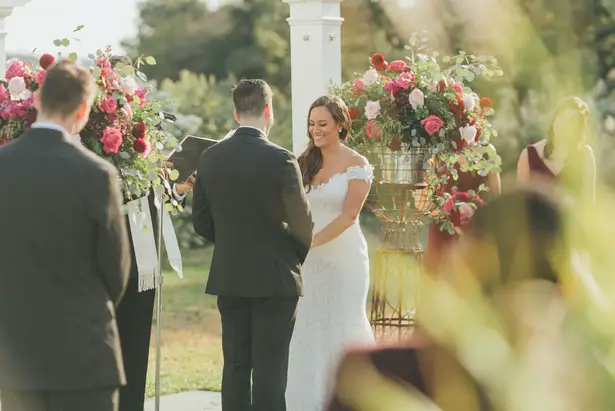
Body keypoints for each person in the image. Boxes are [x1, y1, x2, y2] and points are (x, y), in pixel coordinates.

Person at [0, 60, 131, 410]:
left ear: (36, 99)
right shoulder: (97, 174)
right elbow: (115, 271)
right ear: (83, 110)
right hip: (83, 352)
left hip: (14, 358)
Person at [192, 79, 313, 411]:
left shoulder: (209, 158)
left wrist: (233, 244)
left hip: (230, 276)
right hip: (275, 277)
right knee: (269, 369)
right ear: (268, 110)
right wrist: (289, 257)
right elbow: (303, 224)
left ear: (235, 113)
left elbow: (201, 221)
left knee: (235, 366)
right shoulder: (281, 159)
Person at [286, 95, 376, 411]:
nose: (316, 130)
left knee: (343, 325)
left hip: (345, 261)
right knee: (308, 327)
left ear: (340, 125)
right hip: (309, 263)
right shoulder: (302, 163)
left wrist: (310, 242)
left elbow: (349, 216)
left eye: (322, 124)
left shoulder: (357, 165)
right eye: (312, 124)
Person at [517, 96, 596, 202]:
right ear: (554, 119)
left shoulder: (585, 155)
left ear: (578, 128)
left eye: (571, 121)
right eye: (562, 117)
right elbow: (520, 203)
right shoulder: (528, 155)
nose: (563, 123)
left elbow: (589, 204)